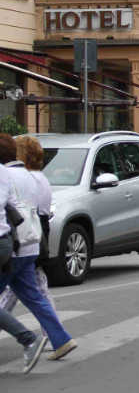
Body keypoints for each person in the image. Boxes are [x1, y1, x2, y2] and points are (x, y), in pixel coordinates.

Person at [0, 134, 77, 363]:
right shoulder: (34, 177)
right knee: (34, 297)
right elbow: (41, 212)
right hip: (31, 244)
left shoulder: (7, 175)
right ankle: (61, 339)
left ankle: (28, 339)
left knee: (29, 296)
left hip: (13, 246)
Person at [0, 161, 48, 373]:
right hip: (6, 241)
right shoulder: (3, 171)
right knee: (33, 295)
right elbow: (11, 204)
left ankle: (29, 339)